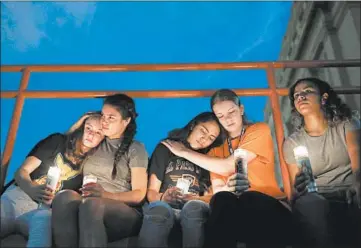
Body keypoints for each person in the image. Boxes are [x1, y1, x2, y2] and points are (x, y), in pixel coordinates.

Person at [162, 89, 292, 248]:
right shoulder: (216, 150)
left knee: (250, 197)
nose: (228, 119)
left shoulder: (258, 130)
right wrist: (222, 188)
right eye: (221, 116)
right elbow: (218, 191)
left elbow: (229, 166)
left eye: (232, 112)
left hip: (267, 206)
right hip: (236, 214)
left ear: (241, 110)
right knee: (222, 198)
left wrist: (184, 151)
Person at [52, 93, 148, 248]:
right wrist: (81, 122)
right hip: (88, 204)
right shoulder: (96, 142)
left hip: (123, 211)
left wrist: (105, 195)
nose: (104, 121)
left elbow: (139, 194)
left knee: (92, 204)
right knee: (64, 197)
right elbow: (63, 145)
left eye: (111, 117)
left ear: (126, 121)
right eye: (103, 115)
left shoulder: (135, 148)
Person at [0, 113, 104, 247]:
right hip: (19, 196)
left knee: (43, 224)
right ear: (81, 127)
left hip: (43, 209)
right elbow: (21, 171)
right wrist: (31, 188)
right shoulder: (58, 141)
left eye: (98, 133)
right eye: (89, 128)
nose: (91, 134)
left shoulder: (91, 165)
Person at [283, 77, 361, 248]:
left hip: (351, 187)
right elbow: (295, 192)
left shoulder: (347, 124)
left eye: (307, 92)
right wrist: (298, 186)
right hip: (318, 194)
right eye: (296, 95)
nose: (301, 97)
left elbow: (358, 165)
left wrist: (356, 186)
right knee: (311, 205)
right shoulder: (292, 142)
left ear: (324, 97)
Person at [138, 112, 223, 248]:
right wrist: (163, 197)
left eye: (210, 138)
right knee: (159, 209)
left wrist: (195, 198)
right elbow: (152, 191)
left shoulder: (208, 160)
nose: (204, 139)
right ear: (193, 125)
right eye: (203, 131)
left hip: (193, 204)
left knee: (194, 207)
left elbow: (210, 195)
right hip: (165, 204)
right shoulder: (167, 148)